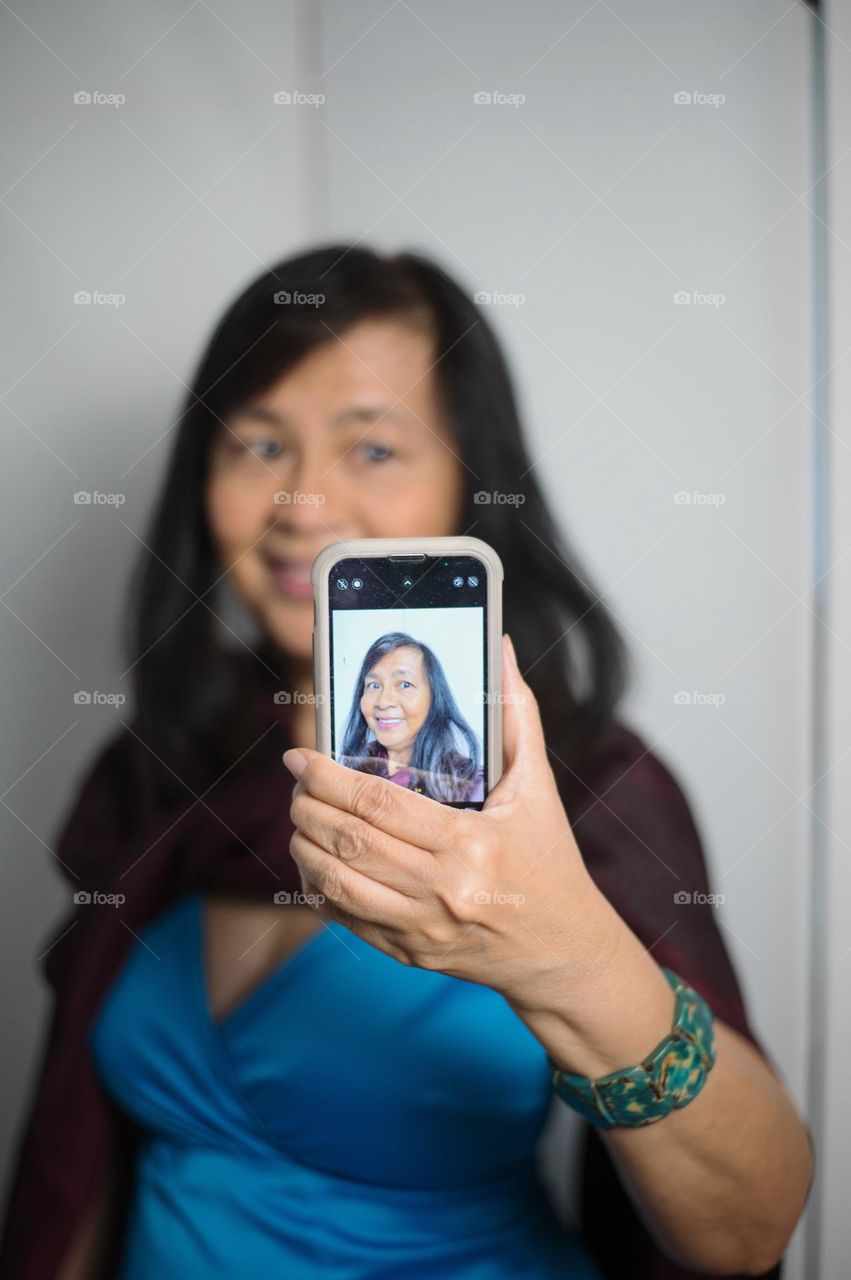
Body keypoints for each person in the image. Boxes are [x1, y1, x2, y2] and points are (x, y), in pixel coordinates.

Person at [0, 244, 813, 1280]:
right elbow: (80, 1162)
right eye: (259, 443)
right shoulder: (157, 762)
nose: (302, 504)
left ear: (470, 481)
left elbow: (748, 1226)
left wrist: (564, 951)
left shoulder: (586, 786)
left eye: (373, 448)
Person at [339, 631, 485, 804]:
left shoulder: (473, 783)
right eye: (374, 685)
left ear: (434, 698)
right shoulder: (346, 770)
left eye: (405, 684)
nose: (384, 702)